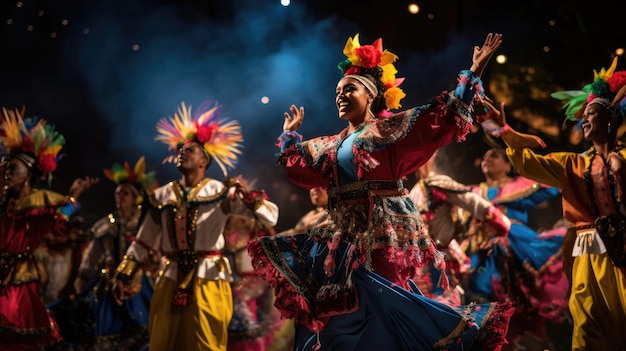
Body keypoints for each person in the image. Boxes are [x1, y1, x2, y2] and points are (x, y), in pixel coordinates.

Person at [248, 33, 513, 351]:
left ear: (371, 95)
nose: (340, 96)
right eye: (337, 91)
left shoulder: (389, 131)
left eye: (349, 89)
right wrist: (289, 134)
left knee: (384, 310)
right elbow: (297, 165)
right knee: (337, 318)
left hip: (381, 239)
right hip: (342, 243)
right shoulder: (331, 145)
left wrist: (472, 74)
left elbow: (439, 119)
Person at [481, 57, 626, 351]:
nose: (584, 119)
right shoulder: (572, 163)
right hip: (587, 252)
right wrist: (503, 130)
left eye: (592, 113)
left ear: (611, 120)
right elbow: (527, 163)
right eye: (582, 115)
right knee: (587, 327)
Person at [111, 100, 279, 351]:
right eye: (180, 150)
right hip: (169, 277)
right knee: (164, 341)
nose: (182, 153)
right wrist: (125, 273)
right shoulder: (161, 196)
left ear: (204, 161)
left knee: (206, 343)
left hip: (209, 277)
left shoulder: (221, 192)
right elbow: (144, 240)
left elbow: (269, 218)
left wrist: (249, 198)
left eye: (190, 150)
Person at [0, 107, 98, 350]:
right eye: (6, 167)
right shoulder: (3, 202)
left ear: (29, 174)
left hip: (18, 283)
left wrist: (74, 197)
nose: (7, 172)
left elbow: (60, 224)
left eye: (14, 168)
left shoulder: (39, 205)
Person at [466, 147, 570, 349]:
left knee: (516, 314)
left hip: (515, 251)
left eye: (494, 156)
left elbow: (555, 177)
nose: (487, 159)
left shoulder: (519, 186)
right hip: (482, 253)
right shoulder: (473, 192)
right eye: (485, 156)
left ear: (508, 165)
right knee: (477, 307)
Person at [73, 156, 158, 350]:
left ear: (135, 198)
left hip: (138, 283)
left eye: (125, 193)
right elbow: (92, 258)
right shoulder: (105, 226)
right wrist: (81, 281)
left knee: (142, 326)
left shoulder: (143, 226)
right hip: (107, 282)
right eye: (117, 193)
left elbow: (155, 255)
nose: (120, 197)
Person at [408, 150, 512, 306]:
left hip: (438, 260)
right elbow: (475, 204)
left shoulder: (434, 184)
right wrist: (501, 223)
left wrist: (501, 224)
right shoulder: (417, 190)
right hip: (427, 264)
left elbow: (473, 203)